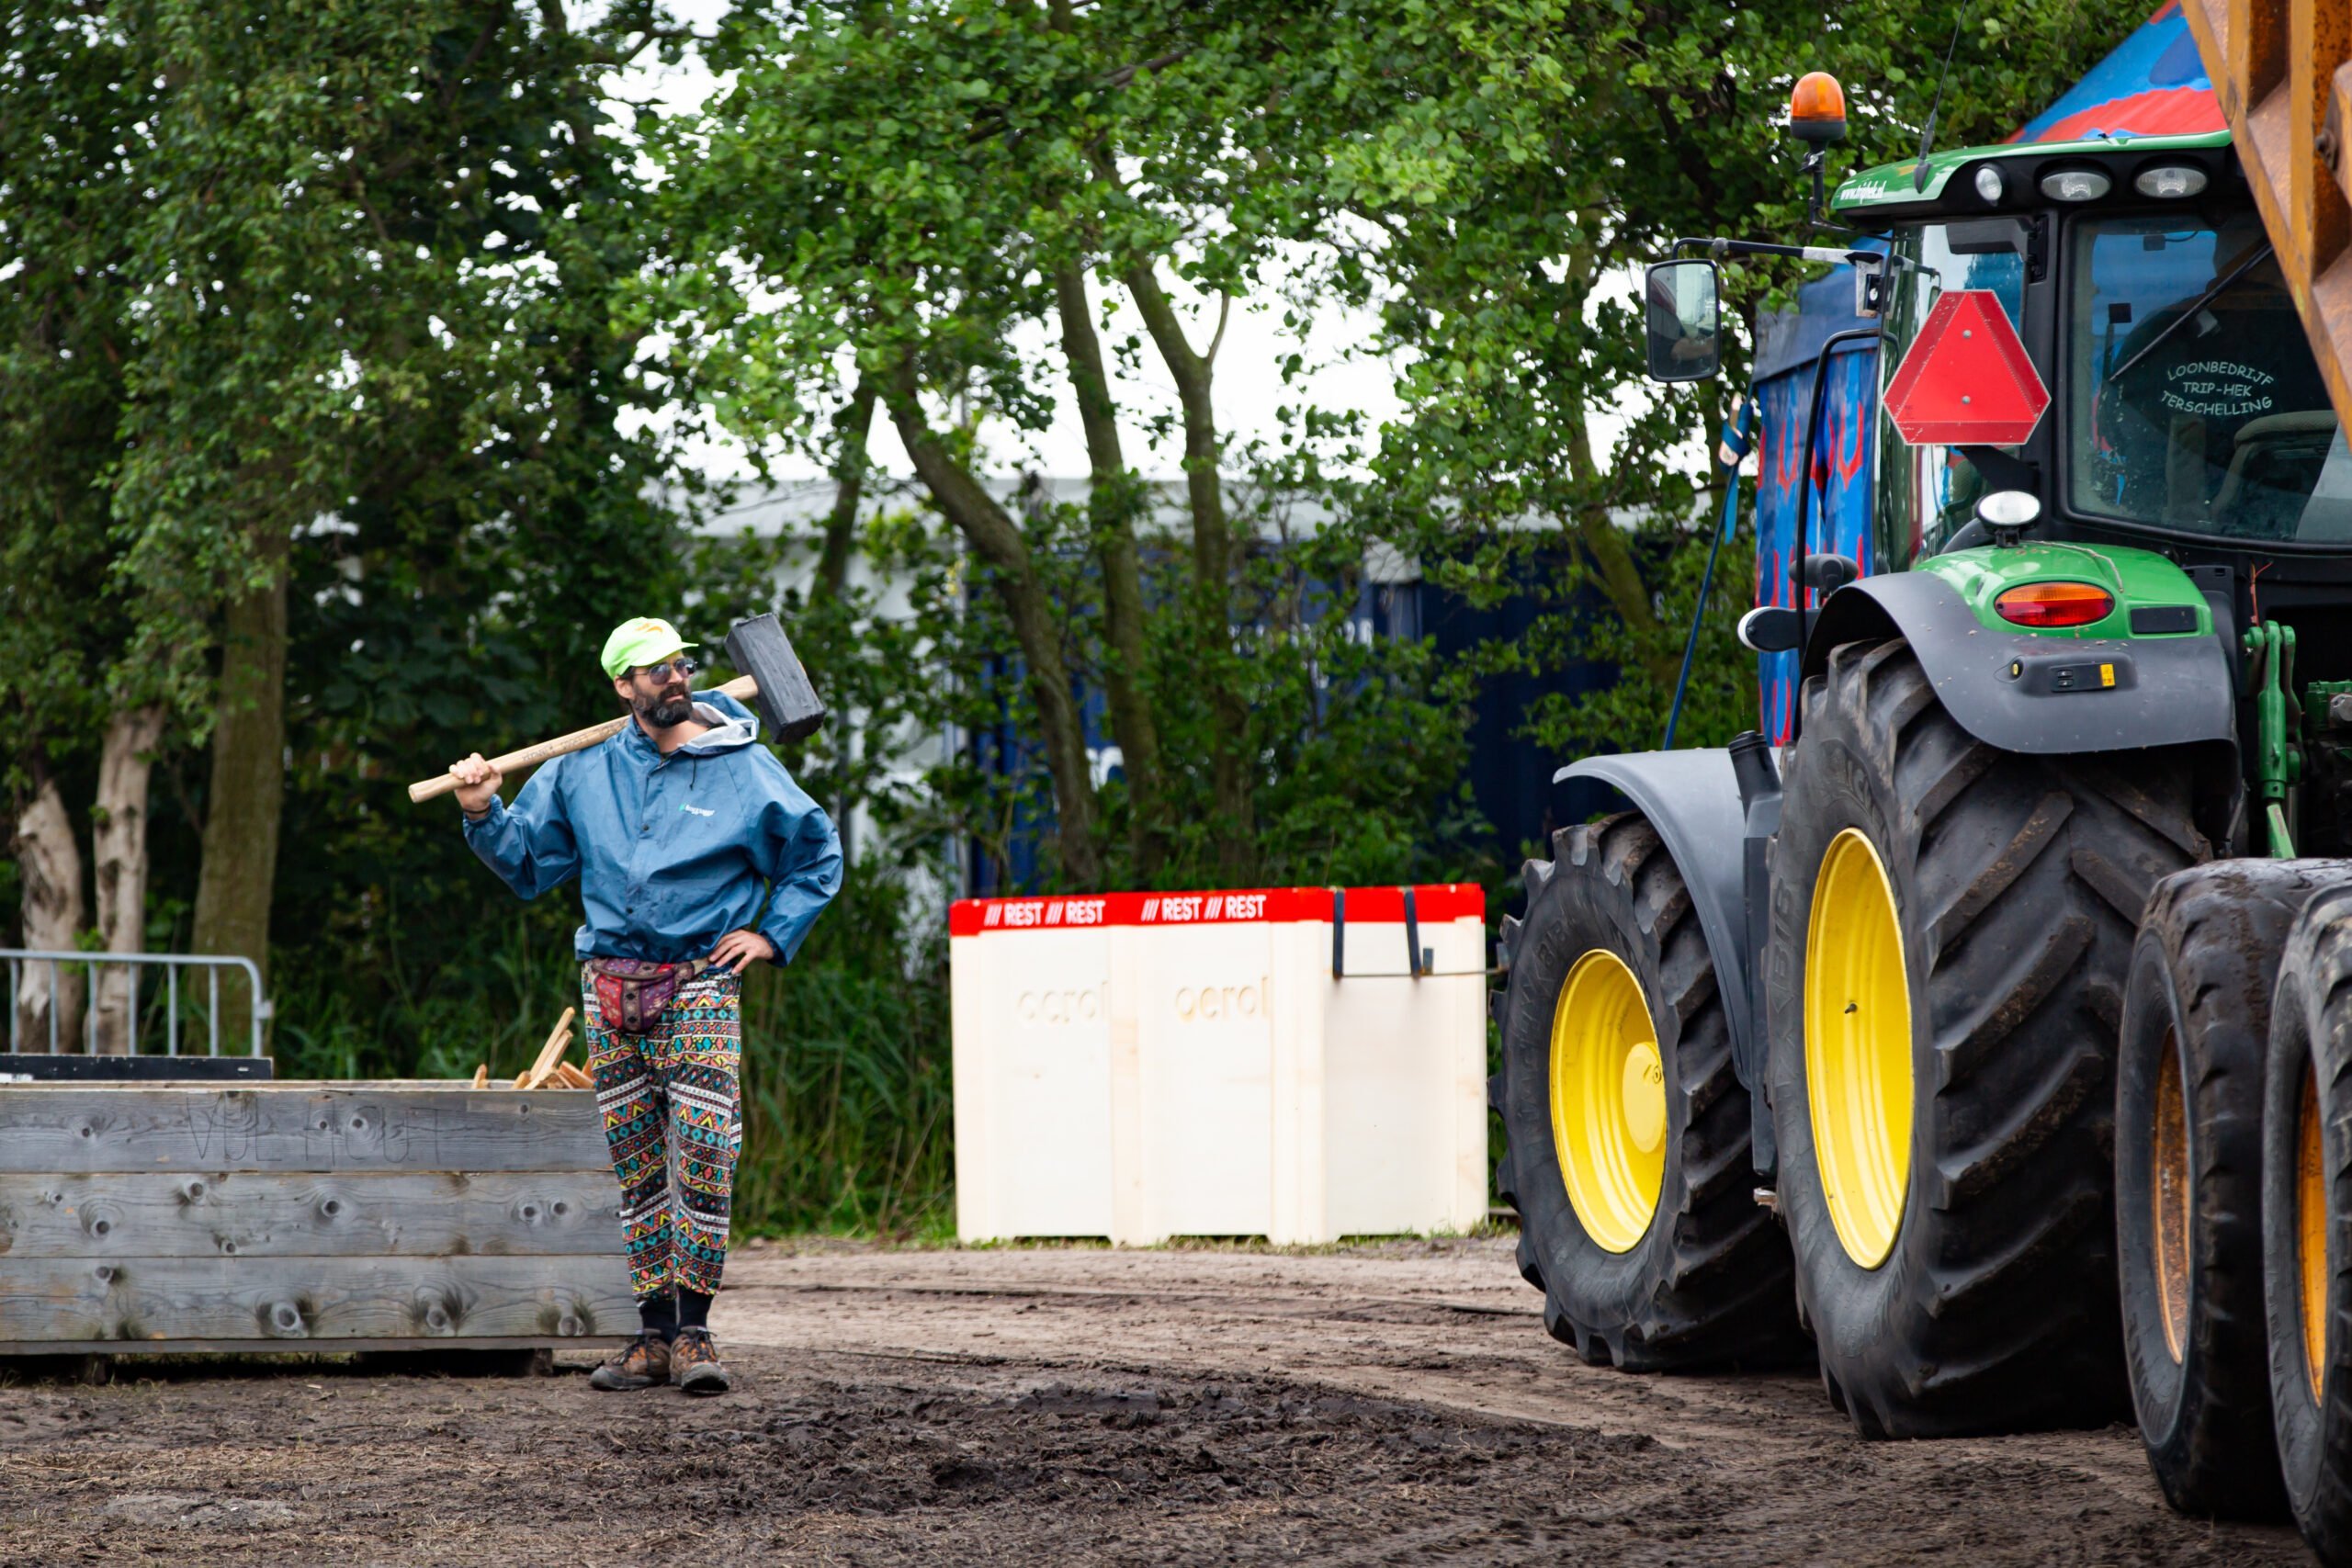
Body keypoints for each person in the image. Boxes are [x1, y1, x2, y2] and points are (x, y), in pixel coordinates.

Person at [448, 615, 842, 1394]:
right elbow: (529, 866)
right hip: (609, 990)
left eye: (679, 664)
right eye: (653, 669)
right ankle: (652, 1337)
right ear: (622, 686)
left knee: (705, 1155)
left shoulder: (740, 764)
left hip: (698, 981)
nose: (674, 677)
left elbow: (816, 851)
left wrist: (771, 935)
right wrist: (481, 812)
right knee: (636, 1173)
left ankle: (695, 1334)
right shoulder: (582, 772)